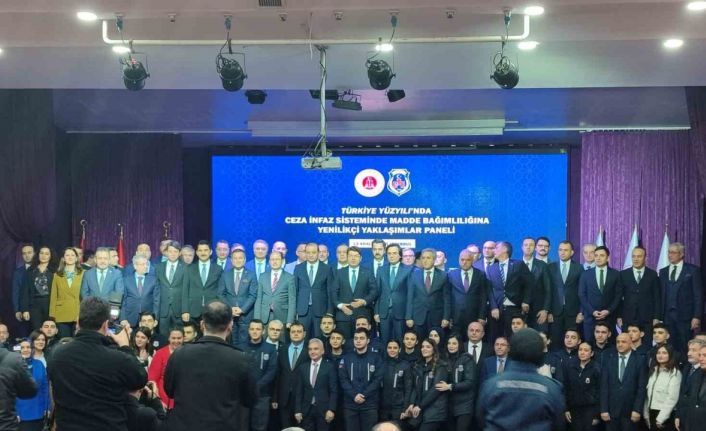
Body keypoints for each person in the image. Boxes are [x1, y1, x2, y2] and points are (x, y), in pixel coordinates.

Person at [48, 296, 147, 431]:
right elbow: (140, 378)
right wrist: (125, 346)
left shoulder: (57, 355)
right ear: (106, 325)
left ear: (78, 322)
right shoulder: (117, 359)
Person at [165, 301, 257, 430]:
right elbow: (250, 399)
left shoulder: (180, 354)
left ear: (202, 324)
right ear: (230, 325)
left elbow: (169, 391)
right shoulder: (241, 359)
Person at [478, 328, 565, 430]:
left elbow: (481, 420)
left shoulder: (491, 385)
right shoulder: (551, 389)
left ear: (511, 350)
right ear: (540, 354)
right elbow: (558, 425)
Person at [659, 242, 702, 355]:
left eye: (673, 252)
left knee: (684, 346)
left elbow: (698, 295)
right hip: (667, 317)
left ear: (681, 254)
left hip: (685, 317)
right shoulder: (663, 272)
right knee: (669, 347)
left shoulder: (692, 271)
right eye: (669, 252)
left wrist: (696, 316)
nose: (670, 255)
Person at [486, 241, 534, 341]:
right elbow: (489, 290)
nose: (493, 250)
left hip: (515, 309)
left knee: (514, 338)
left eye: (496, 248)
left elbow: (529, 284)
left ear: (504, 249)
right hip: (497, 310)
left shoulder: (518, 264)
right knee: (496, 338)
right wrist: (493, 307)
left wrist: (526, 301)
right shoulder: (491, 268)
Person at [599, 333, 648, 431]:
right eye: (618, 342)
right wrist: (604, 409)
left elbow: (641, 388)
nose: (620, 344)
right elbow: (604, 386)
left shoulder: (640, 360)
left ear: (630, 344)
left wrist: (637, 409)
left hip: (630, 412)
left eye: (623, 342)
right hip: (611, 412)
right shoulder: (608, 359)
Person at [338, 328, 384, 431]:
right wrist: (354, 395)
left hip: (370, 405)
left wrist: (364, 395)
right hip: (350, 405)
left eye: (361, 338)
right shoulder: (346, 358)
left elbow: (377, 380)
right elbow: (343, 380)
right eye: (356, 338)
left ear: (368, 340)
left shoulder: (376, 358)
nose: (358, 341)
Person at [238, 319, 278, 431]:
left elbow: (271, 371)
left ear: (263, 331)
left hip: (262, 395)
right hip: (244, 395)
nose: (255, 331)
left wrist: (256, 386)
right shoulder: (240, 348)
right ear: (248, 331)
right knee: (242, 426)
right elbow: (237, 370)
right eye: (252, 329)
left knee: (260, 428)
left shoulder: (270, 349)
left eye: (258, 329)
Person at [332, 246, 378, 339]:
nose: (353, 258)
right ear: (347, 257)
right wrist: (340, 306)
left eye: (356, 256)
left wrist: (364, 301)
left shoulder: (368, 272)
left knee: (362, 341)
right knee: (344, 343)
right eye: (350, 256)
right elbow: (333, 292)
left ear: (360, 258)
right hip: (343, 316)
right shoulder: (339, 273)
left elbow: (374, 291)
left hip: (363, 316)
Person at [618, 246, 660, 344]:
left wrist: (656, 317)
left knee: (646, 344)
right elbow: (618, 297)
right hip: (628, 317)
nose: (636, 259)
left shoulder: (652, 274)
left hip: (647, 318)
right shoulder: (623, 274)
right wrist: (619, 316)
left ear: (645, 258)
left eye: (639, 256)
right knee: (627, 344)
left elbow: (657, 297)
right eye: (634, 256)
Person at [294, 338, 338, 431]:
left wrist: (331, 409)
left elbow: (334, 390)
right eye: (310, 349)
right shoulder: (303, 368)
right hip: (306, 410)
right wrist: (297, 410)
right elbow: (299, 391)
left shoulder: (330, 367)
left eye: (316, 349)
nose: (312, 351)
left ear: (322, 351)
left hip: (324, 411)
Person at [547, 241, 584, 350]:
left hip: (573, 312)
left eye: (565, 250)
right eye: (560, 250)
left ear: (572, 252)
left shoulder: (579, 268)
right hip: (555, 312)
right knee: (556, 342)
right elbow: (548, 291)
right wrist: (548, 311)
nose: (562, 252)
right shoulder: (550, 267)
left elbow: (582, 292)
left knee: (572, 342)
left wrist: (581, 311)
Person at [407, 248, 451, 338]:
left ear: (434, 260)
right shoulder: (414, 275)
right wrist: (408, 317)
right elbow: (410, 297)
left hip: (436, 318)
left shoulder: (443, 275)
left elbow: (447, 299)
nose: (425, 260)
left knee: (436, 343)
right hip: (418, 317)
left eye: (428, 258)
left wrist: (446, 317)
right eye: (423, 258)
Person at [375, 243, 413, 346]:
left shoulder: (408, 270)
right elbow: (378, 292)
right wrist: (376, 312)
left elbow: (410, 295)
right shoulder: (381, 270)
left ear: (400, 255)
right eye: (389, 253)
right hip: (384, 312)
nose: (391, 256)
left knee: (400, 340)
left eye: (394, 253)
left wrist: (408, 315)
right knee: (384, 342)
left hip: (401, 312)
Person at [407, 338, 449, 431]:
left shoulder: (441, 366)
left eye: (428, 347)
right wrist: (411, 403)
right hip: (421, 411)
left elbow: (435, 390)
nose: (424, 349)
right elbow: (415, 387)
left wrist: (420, 406)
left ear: (434, 349)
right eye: (422, 347)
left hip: (435, 411)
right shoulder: (418, 366)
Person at [219, 248, 258, 345]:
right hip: (229, 315)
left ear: (245, 260)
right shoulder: (225, 275)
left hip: (245, 315)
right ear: (231, 260)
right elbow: (221, 294)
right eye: (235, 258)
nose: (238, 260)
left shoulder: (252, 275)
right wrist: (230, 308)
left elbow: (253, 295)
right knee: (229, 342)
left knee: (244, 343)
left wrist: (242, 309)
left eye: (240, 258)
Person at [274, 322, 310, 428]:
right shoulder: (282, 349)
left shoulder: (310, 350)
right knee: (285, 427)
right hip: (283, 397)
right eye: (293, 331)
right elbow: (278, 374)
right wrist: (275, 398)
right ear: (289, 334)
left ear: (304, 334)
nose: (296, 334)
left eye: (299, 331)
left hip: (302, 399)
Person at [294, 242, 334, 338]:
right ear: (305, 253)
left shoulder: (327, 269)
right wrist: (294, 311)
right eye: (308, 252)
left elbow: (330, 291)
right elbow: (295, 291)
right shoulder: (298, 268)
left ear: (318, 253)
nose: (311, 255)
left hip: (321, 311)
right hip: (302, 311)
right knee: (302, 338)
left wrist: (330, 311)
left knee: (319, 338)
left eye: (313, 252)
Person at [438, 333, 477, 431]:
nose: (451, 346)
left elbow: (469, 382)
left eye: (454, 343)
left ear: (459, 344)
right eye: (449, 343)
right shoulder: (443, 359)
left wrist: (450, 386)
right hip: (449, 405)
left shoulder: (467, 359)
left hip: (464, 404)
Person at [447, 249, 488, 335]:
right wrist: (448, 317)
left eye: (468, 260)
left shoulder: (480, 274)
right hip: (456, 316)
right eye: (462, 260)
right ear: (459, 260)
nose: (464, 262)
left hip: (474, 316)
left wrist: (482, 316)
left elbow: (483, 297)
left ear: (473, 260)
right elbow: (448, 297)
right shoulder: (451, 274)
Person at [181, 241, 224, 323]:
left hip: (213, 310)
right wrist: (185, 310)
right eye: (200, 250)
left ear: (210, 252)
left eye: (205, 250)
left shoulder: (218, 269)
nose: (203, 253)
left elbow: (221, 291)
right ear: (197, 253)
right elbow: (185, 290)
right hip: (193, 310)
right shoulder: (189, 268)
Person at [0, 342, 38, 431]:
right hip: (6, 423)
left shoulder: (13, 359)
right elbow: (30, 391)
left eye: (28, 347)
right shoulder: (14, 359)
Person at [563, 342, 600, 431]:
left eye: (586, 350)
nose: (582, 352)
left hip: (590, 410)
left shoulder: (596, 368)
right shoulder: (570, 367)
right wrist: (566, 409)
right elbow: (566, 389)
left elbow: (600, 392)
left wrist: (596, 415)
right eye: (580, 350)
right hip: (574, 410)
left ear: (592, 353)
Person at [254, 250, 296, 329]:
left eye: (277, 259)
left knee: (281, 337)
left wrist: (290, 320)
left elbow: (292, 300)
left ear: (282, 261)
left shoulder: (290, 278)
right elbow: (258, 298)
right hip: (264, 317)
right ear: (269, 261)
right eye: (272, 259)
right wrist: (256, 319)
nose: (275, 262)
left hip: (282, 316)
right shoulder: (262, 276)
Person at [644, 344, 681, 431]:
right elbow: (647, 394)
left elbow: (672, 398)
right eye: (658, 353)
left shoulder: (675, 373)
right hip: (651, 412)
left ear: (670, 355)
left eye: (664, 353)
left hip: (665, 415)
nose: (660, 355)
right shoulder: (653, 370)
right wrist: (646, 414)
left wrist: (661, 418)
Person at [49, 247, 84, 337]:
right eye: (67, 255)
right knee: (64, 341)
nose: (70, 257)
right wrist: (52, 315)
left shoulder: (84, 274)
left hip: (78, 313)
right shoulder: (57, 275)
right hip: (61, 314)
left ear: (76, 258)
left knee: (77, 341)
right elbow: (54, 296)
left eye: (72, 255)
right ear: (63, 258)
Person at [147, 327, 184, 410]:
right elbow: (152, 380)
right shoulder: (160, 354)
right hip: (163, 400)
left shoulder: (188, 353)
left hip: (182, 399)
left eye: (179, 338)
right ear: (168, 338)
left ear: (183, 338)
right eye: (173, 338)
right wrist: (158, 401)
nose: (176, 341)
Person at [155, 241, 187, 334]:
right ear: (166, 252)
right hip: (163, 310)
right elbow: (156, 290)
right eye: (170, 251)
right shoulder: (159, 267)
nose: (173, 254)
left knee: (179, 336)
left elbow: (186, 291)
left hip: (179, 310)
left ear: (180, 253)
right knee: (163, 337)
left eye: (175, 251)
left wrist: (185, 310)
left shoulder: (185, 267)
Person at [20, 246, 55, 330]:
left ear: (50, 256)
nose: (43, 256)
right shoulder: (31, 270)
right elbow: (25, 291)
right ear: (38, 254)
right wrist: (25, 310)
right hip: (34, 305)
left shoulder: (55, 270)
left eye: (46, 254)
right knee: (37, 330)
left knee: (50, 330)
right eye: (41, 253)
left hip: (50, 304)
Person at [120, 255, 160, 328]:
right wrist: (123, 318)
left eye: (147, 264)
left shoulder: (153, 280)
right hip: (130, 318)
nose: (146, 266)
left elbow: (156, 301)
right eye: (143, 264)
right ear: (135, 266)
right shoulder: (126, 280)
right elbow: (123, 301)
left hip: (148, 319)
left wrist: (156, 318)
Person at [521, 238, 552, 332]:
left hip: (539, 311)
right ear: (522, 247)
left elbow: (548, 290)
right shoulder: (515, 265)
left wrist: (545, 310)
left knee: (540, 337)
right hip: (520, 311)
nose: (528, 247)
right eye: (526, 245)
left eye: (531, 245)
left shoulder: (542, 265)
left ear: (535, 248)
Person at [380, 339, 413, 423]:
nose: (392, 350)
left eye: (395, 348)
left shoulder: (405, 365)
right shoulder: (382, 364)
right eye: (389, 347)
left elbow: (408, 389)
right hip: (383, 408)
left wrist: (404, 409)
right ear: (386, 349)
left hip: (398, 408)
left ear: (400, 349)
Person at [676, 343, 706, 431]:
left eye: (705, 355)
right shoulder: (697, 375)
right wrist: (679, 415)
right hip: (692, 423)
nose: (701, 358)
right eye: (700, 355)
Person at [12, 244, 34, 325]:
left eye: (29, 252)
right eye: (24, 253)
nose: (27, 256)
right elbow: (15, 292)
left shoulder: (41, 270)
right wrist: (17, 310)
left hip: (39, 308)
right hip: (23, 310)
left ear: (35, 253)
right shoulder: (18, 273)